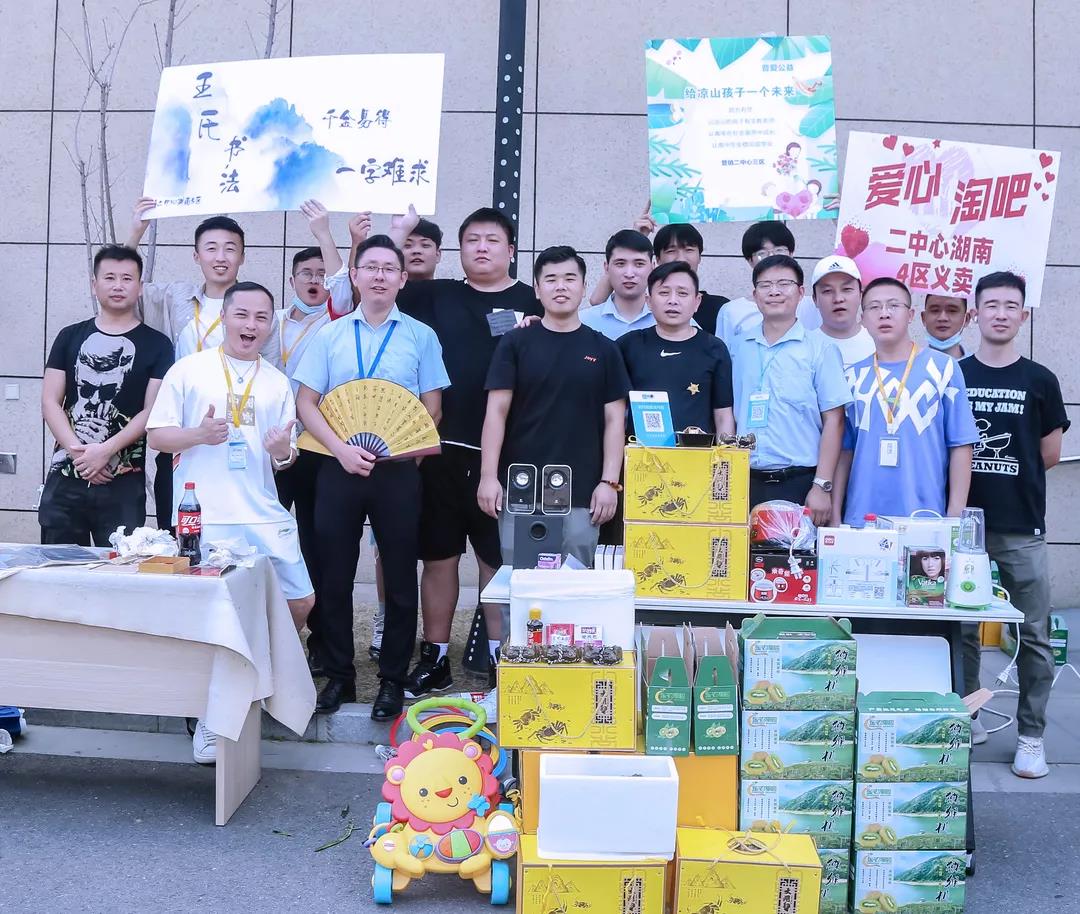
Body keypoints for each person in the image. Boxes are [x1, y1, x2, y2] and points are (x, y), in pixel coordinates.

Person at [146, 281, 314, 764]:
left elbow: (284, 457)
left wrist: (281, 451)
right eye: (242, 314)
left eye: (261, 318)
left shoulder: (276, 382)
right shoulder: (189, 370)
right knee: (213, 615)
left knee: (300, 601)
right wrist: (198, 434)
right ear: (225, 317)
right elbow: (157, 437)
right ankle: (209, 717)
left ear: (270, 325)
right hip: (205, 514)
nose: (251, 325)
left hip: (262, 511)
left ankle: (252, 684)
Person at [384, 207, 543, 698]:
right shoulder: (435, 295)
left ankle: (500, 659)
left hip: (506, 457)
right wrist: (397, 232)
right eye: (472, 239)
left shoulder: (533, 300)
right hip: (440, 450)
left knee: (497, 562)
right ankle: (435, 658)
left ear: (511, 250)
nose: (481, 247)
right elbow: (375, 277)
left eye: (492, 239)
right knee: (439, 557)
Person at [294, 235, 450, 720]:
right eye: (371, 267)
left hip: (397, 470)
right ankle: (339, 675)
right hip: (336, 465)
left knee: (400, 576)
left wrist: (401, 452)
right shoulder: (330, 335)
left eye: (389, 269)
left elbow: (431, 407)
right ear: (355, 276)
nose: (379, 276)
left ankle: (392, 680)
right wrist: (342, 451)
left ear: (402, 279)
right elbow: (306, 403)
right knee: (334, 574)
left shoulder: (421, 336)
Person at [959, 271, 1068, 779]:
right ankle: (967, 716)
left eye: (1010, 306)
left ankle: (1031, 735)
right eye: (991, 305)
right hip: (964, 527)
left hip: (1022, 526)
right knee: (960, 630)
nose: (1000, 314)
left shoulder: (1040, 380)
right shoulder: (955, 374)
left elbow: (1049, 454)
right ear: (975, 313)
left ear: (1022, 316)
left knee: (1033, 634)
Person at [128, 199, 278, 531]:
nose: (220, 257)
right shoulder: (175, 297)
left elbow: (271, 373)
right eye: (211, 248)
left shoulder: (257, 308)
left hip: (239, 438)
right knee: (179, 532)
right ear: (196, 256)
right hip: (181, 434)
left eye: (230, 249)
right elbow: (124, 288)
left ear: (243, 256)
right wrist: (136, 233)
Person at [478, 245, 630, 566]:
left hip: (582, 492)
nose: (561, 286)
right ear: (537, 289)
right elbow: (496, 413)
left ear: (584, 287)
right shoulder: (515, 343)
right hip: (520, 487)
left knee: (574, 586)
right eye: (551, 279)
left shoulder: (605, 349)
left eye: (570, 279)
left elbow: (616, 421)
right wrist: (488, 476)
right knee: (521, 582)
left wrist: (609, 483)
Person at [40, 245, 173, 545]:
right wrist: (80, 454)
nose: (118, 285)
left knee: (118, 567)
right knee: (58, 568)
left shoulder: (158, 345)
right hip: (65, 479)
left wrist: (106, 450)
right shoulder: (69, 336)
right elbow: (50, 401)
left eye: (127, 278)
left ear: (140, 287)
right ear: (94, 284)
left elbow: (151, 410)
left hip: (123, 485)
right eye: (109, 277)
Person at [832, 277, 980, 526]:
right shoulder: (852, 376)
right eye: (874, 307)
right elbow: (844, 451)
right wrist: (836, 512)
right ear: (863, 319)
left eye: (894, 305)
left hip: (925, 517)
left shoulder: (944, 368)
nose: (884, 313)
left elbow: (961, 444)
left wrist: (955, 515)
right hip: (862, 518)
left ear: (911, 315)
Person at [729, 254, 849, 523]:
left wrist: (822, 485)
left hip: (800, 482)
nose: (774, 291)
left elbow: (835, 420)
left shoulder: (821, 349)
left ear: (800, 293)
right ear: (755, 295)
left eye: (784, 284)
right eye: (765, 285)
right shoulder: (736, 348)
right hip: (744, 481)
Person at [618, 261, 735, 437]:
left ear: (697, 302)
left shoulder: (714, 348)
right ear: (648, 301)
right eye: (664, 293)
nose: (673, 300)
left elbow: (723, 415)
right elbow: (614, 411)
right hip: (640, 452)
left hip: (697, 452)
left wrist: (726, 451)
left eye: (682, 293)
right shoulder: (629, 345)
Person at [589, 217, 730, 335]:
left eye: (689, 250)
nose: (681, 258)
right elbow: (598, 303)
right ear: (657, 260)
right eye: (671, 251)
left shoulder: (719, 308)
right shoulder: (653, 306)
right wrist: (635, 238)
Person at [715, 222, 822, 345]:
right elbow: (724, 352)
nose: (772, 257)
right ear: (749, 260)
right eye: (762, 253)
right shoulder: (732, 311)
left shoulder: (813, 306)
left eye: (779, 250)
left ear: (791, 254)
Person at [579, 229, 655, 339]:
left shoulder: (671, 322)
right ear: (606, 267)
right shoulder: (584, 322)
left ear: (652, 267)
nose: (629, 274)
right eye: (620, 264)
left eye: (639, 264)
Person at [807, 255, 875, 368]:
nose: (838, 299)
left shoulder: (879, 345)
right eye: (827, 291)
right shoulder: (802, 349)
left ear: (860, 295)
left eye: (847, 289)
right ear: (815, 299)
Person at [922, 293, 972, 359]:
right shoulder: (911, 364)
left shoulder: (978, 364)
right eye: (935, 310)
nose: (942, 318)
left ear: (966, 319)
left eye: (952, 311)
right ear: (923, 318)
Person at [402, 217, 443, 282]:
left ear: (438, 255)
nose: (416, 251)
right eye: (408, 245)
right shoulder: (387, 288)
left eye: (425, 245)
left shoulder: (451, 287)